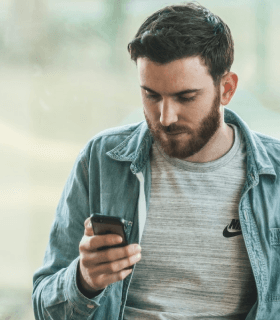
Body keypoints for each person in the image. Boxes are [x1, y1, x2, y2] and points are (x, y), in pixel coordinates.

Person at [32, 2, 280, 320]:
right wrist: (84, 281)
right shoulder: (101, 161)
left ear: (226, 88)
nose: (165, 117)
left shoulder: (274, 175)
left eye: (185, 97)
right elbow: (44, 305)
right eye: (151, 95)